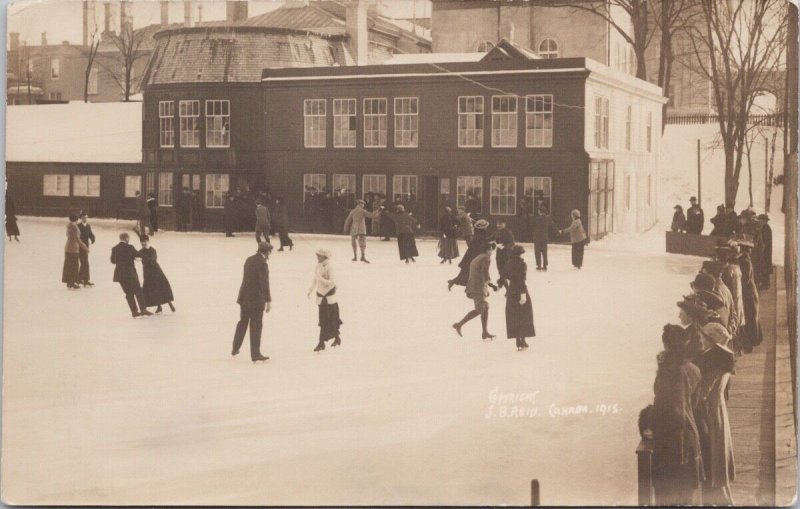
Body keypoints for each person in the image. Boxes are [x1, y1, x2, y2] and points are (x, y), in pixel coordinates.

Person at [650, 324, 703, 506]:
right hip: (690, 437)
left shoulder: (667, 373)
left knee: (667, 497)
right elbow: (693, 405)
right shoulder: (694, 370)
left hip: (670, 444)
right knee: (688, 496)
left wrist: (649, 423)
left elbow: (663, 407)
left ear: (666, 345)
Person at [694, 323, 736, 505]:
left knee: (712, 453)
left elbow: (703, 391)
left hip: (709, 412)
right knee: (718, 453)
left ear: (711, 340)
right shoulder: (725, 356)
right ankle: (723, 497)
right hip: (719, 408)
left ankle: (718, 499)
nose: (700, 339)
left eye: (703, 336)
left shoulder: (712, 359)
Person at [232, 241, 272, 363]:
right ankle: (255, 354)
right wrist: (268, 300)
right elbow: (264, 283)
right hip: (256, 300)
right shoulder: (262, 264)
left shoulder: (249, 260)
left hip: (244, 297)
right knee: (256, 326)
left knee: (243, 322)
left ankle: (235, 347)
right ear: (267, 252)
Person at [452, 242, 496, 340]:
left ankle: (485, 332)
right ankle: (459, 325)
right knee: (481, 308)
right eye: (491, 250)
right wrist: (492, 285)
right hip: (478, 287)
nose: (492, 252)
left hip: (475, 285)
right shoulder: (486, 258)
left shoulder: (477, 257)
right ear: (488, 250)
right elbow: (484, 272)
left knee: (485, 307)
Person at [499, 245, 535, 350]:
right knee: (524, 314)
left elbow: (503, 277)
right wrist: (523, 293)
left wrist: (499, 286)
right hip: (520, 290)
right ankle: (523, 340)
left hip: (511, 291)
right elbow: (521, 280)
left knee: (514, 315)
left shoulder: (508, 263)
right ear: (520, 253)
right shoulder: (522, 264)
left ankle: (517, 341)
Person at [307, 249, 342, 352]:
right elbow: (315, 279)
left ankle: (323, 342)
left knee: (332, 319)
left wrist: (320, 278)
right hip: (320, 297)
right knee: (323, 320)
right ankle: (325, 341)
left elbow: (331, 283)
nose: (317, 258)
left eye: (319, 256)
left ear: (324, 257)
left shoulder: (330, 267)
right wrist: (310, 290)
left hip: (330, 298)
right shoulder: (318, 266)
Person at [111, 232, 151, 317]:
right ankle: (143, 309)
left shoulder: (114, 248)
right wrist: (146, 251)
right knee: (138, 291)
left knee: (128, 293)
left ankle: (134, 312)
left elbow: (113, 261)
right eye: (128, 238)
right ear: (126, 238)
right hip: (130, 273)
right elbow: (138, 254)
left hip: (120, 275)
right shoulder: (130, 247)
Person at [448, 219, 490, 290]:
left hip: (469, 257)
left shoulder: (477, 235)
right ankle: (477, 289)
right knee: (471, 274)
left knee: (466, 273)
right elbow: (481, 246)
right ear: (484, 228)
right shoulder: (481, 235)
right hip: (474, 258)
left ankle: (454, 281)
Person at [138, 235, 175, 314]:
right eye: (142, 242)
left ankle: (170, 303)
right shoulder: (140, 251)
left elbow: (150, 259)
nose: (143, 243)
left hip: (156, 272)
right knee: (152, 289)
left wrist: (141, 258)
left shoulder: (152, 250)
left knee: (162, 287)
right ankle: (158, 307)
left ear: (148, 241)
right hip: (147, 273)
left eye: (145, 241)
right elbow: (135, 256)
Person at [737, 239, 762, 353]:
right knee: (752, 315)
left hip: (748, 293)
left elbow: (745, 279)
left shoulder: (744, 261)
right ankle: (754, 339)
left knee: (749, 316)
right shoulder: (746, 259)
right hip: (750, 291)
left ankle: (750, 342)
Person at [701, 260, 737, 336]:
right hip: (728, 329)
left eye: (704, 273)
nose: (701, 275)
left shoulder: (715, 290)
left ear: (711, 274)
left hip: (720, 332)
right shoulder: (724, 287)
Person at [343, 199, 382, 263]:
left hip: (354, 228)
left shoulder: (353, 211)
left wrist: (345, 228)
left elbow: (348, 220)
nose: (363, 205)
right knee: (362, 242)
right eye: (363, 204)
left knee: (353, 243)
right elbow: (372, 215)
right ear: (360, 204)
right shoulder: (363, 211)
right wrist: (378, 210)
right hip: (361, 228)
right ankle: (362, 256)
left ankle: (355, 257)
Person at [63, 213, 89, 290]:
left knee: (68, 265)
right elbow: (77, 239)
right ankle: (72, 283)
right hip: (73, 249)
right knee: (74, 266)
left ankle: (69, 282)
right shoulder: (74, 227)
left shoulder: (69, 225)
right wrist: (85, 247)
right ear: (77, 219)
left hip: (68, 247)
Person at [77, 211, 96, 287]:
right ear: (81, 218)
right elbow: (77, 237)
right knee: (85, 263)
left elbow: (90, 234)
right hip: (80, 247)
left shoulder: (88, 226)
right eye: (84, 217)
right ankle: (86, 280)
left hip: (86, 247)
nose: (85, 218)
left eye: (86, 217)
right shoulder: (78, 226)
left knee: (84, 263)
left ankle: (79, 279)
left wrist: (93, 238)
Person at [757, 214, 773, 289]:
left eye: (760, 220)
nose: (759, 222)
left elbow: (765, 241)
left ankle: (766, 284)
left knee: (765, 267)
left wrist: (762, 248)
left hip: (766, 250)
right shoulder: (764, 228)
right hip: (765, 250)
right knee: (764, 267)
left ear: (764, 221)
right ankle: (765, 283)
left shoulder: (766, 229)